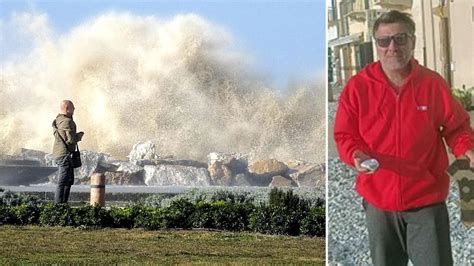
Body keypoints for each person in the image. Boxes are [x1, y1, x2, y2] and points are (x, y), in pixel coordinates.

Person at [334, 10, 473, 266]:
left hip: (426, 202)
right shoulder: (358, 87)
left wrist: (466, 149)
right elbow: (345, 134)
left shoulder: (432, 84)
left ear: (412, 41)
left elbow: (457, 127)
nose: (392, 47)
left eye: (400, 38)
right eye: (384, 41)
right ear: (376, 45)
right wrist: (355, 154)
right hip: (379, 203)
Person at [52, 100, 84, 204]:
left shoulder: (58, 120)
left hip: (60, 153)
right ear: (67, 108)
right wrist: (79, 135)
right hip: (65, 155)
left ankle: (62, 204)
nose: (74, 109)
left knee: (69, 181)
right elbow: (71, 140)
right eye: (73, 107)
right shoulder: (67, 122)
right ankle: (59, 205)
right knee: (63, 181)